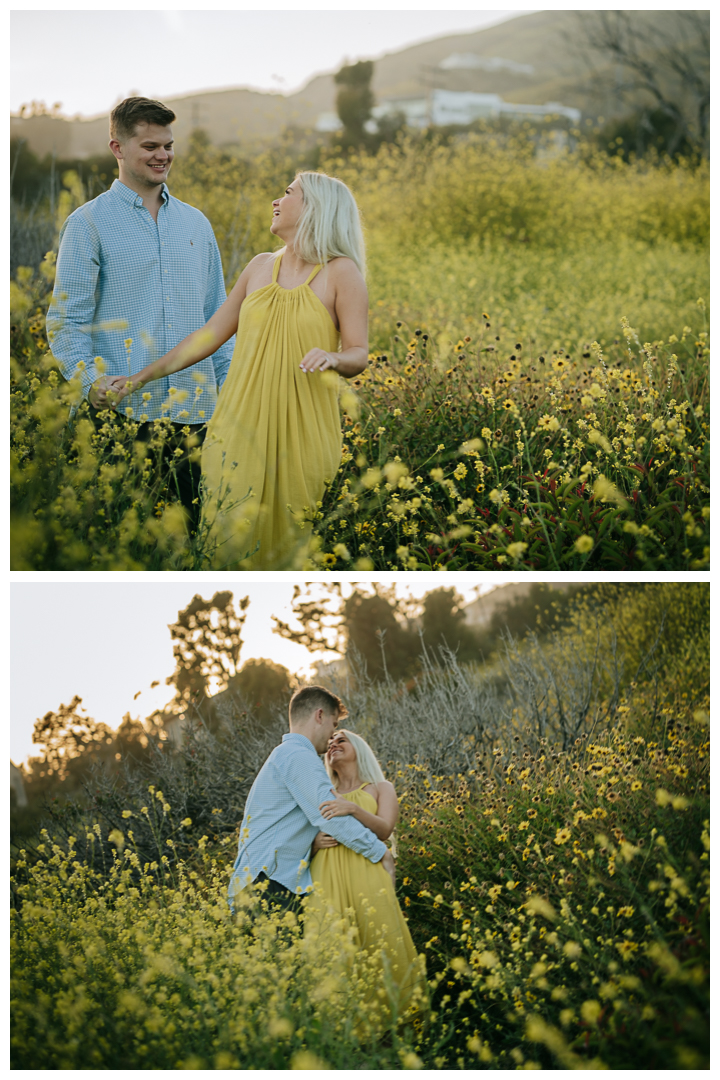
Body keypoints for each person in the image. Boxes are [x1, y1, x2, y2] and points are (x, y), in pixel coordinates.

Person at [113, 171, 368, 568]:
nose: (276, 200)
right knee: (226, 537)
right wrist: (137, 379)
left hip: (304, 429)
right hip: (237, 425)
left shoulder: (341, 273)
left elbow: (359, 354)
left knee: (290, 548)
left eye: (288, 193)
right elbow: (208, 337)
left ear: (315, 207)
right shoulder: (259, 267)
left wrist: (334, 358)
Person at [46, 96, 234, 533]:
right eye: (150, 146)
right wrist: (89, 381)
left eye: (168, 145)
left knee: (191, 543)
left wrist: (229, 395)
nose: (163, 155)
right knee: (117, 547)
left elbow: (218, 321)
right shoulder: (88, 223)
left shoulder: (196, 224)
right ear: (118, 148)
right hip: (121, 416)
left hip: (197, 416)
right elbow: (67, 320)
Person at [227, 686, 393, 914]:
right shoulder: (298, 756)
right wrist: (379, 852)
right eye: (333, 725)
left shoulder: (285, 754)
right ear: (320, 715)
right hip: (268, 884)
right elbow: (330, 816)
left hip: (260, 882)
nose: (331, 737)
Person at [308, 728, 426, 1030]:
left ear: (358, 748)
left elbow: (385, 829)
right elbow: (302, 830)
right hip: (327, 872)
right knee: (333, 947)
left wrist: (352, 808)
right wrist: (312, 843)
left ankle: (397, 1028)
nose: (333, 745)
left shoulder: (379, 787)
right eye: (329, 743)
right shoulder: (321, 789)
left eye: (341, 740)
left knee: (380, 942)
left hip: (366, 870)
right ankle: (347, 1034)